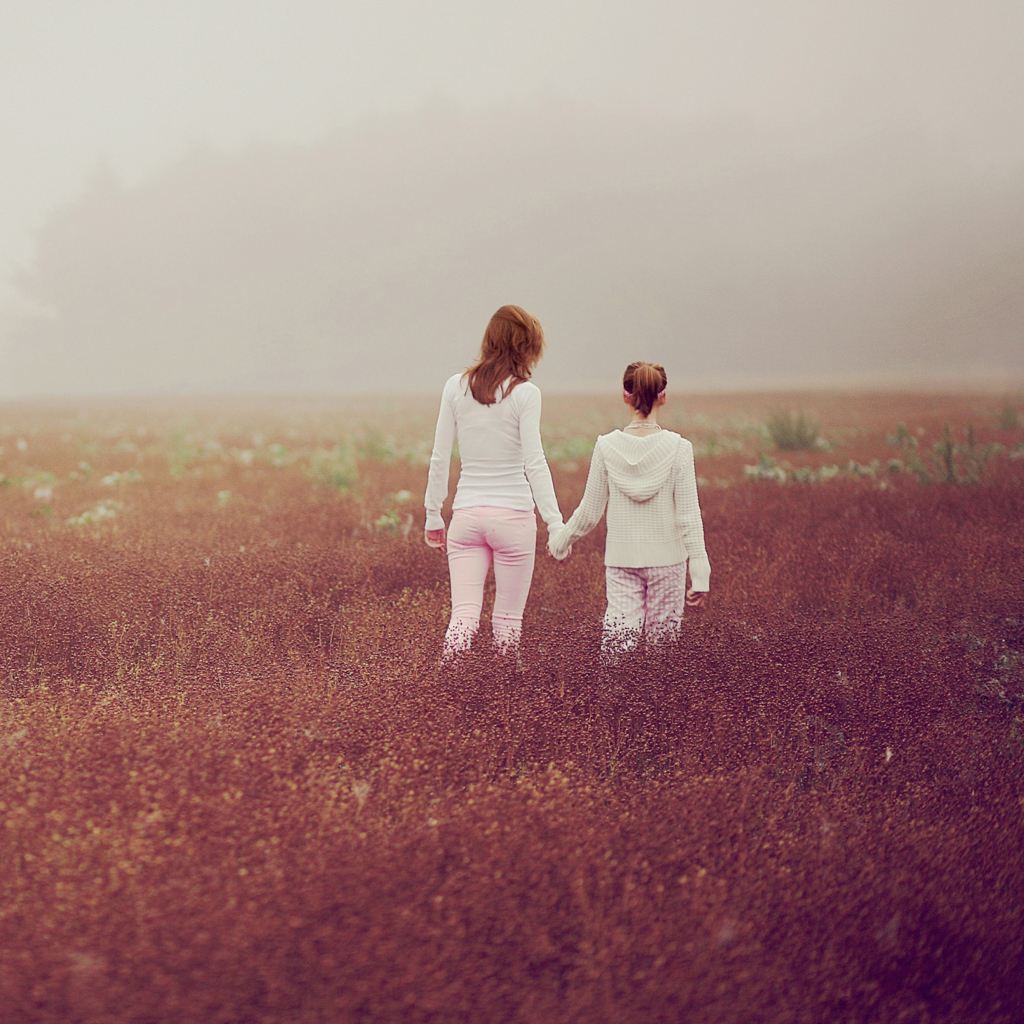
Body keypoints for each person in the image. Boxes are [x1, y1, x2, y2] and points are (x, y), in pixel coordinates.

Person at [424, 305, 563, 658]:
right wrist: (555, 523)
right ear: (528, 346)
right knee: (507, 621)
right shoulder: (526, 394)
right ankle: (505, 700)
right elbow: (535, 462)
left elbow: (440, 456)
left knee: (463, 617)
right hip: (513, 517)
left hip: (466, 518)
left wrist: (432, 514)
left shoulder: (455, 387)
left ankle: (445, 690)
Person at [548, 361, 710, 653]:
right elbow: (688, 516)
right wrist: (700, 572)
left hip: (621, 561)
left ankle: (614, 698)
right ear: (663, 396)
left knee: (617, 646)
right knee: (663, 652)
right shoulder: (678, 448)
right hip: (668, 561)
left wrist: (560, 541)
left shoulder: (606, 446)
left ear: (626, 395)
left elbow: (589, 511)